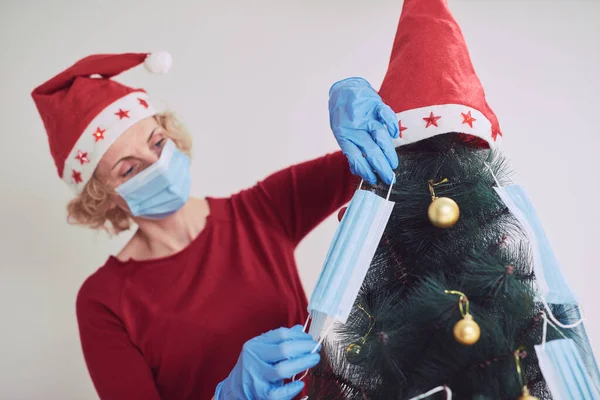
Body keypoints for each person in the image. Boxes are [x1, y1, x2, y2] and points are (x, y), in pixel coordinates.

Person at [31, 51, 400, 400]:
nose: (156, 163)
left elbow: (385, 155)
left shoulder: (261, 210)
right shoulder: (104, 302)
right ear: (100, 196)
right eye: (129, 169)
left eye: (157, 142)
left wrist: (354, 97)